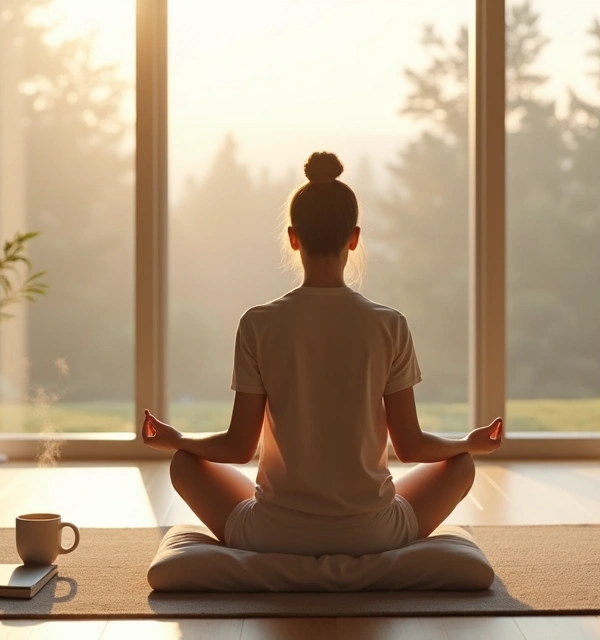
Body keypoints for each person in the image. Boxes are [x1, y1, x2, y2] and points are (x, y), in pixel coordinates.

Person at [141, 151, 504, 557]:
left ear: (293, 238)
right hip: (373, 534)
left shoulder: (258, 323)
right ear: (354, 237)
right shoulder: (389, 324)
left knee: (184, 463)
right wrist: (467, 443)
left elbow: (239, 447)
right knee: (461, 465)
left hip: (273, 534)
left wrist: (178, 439)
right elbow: (411, 447)